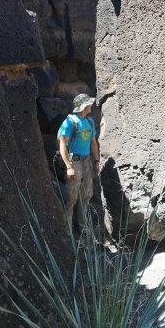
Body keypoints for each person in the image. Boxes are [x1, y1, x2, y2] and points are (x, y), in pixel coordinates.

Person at [57, 93, 99, 235]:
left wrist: (97, 161)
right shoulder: (69, 122)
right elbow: (62, 145)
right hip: (74, 162)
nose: (91, 106)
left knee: (86, 196)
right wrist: (69, 167)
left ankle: (84, 232)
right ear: (83, 106)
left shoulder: (90, 121)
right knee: (71, 197)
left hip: (87, 161)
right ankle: (67, 233)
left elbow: (93, 142)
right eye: (89, 104)